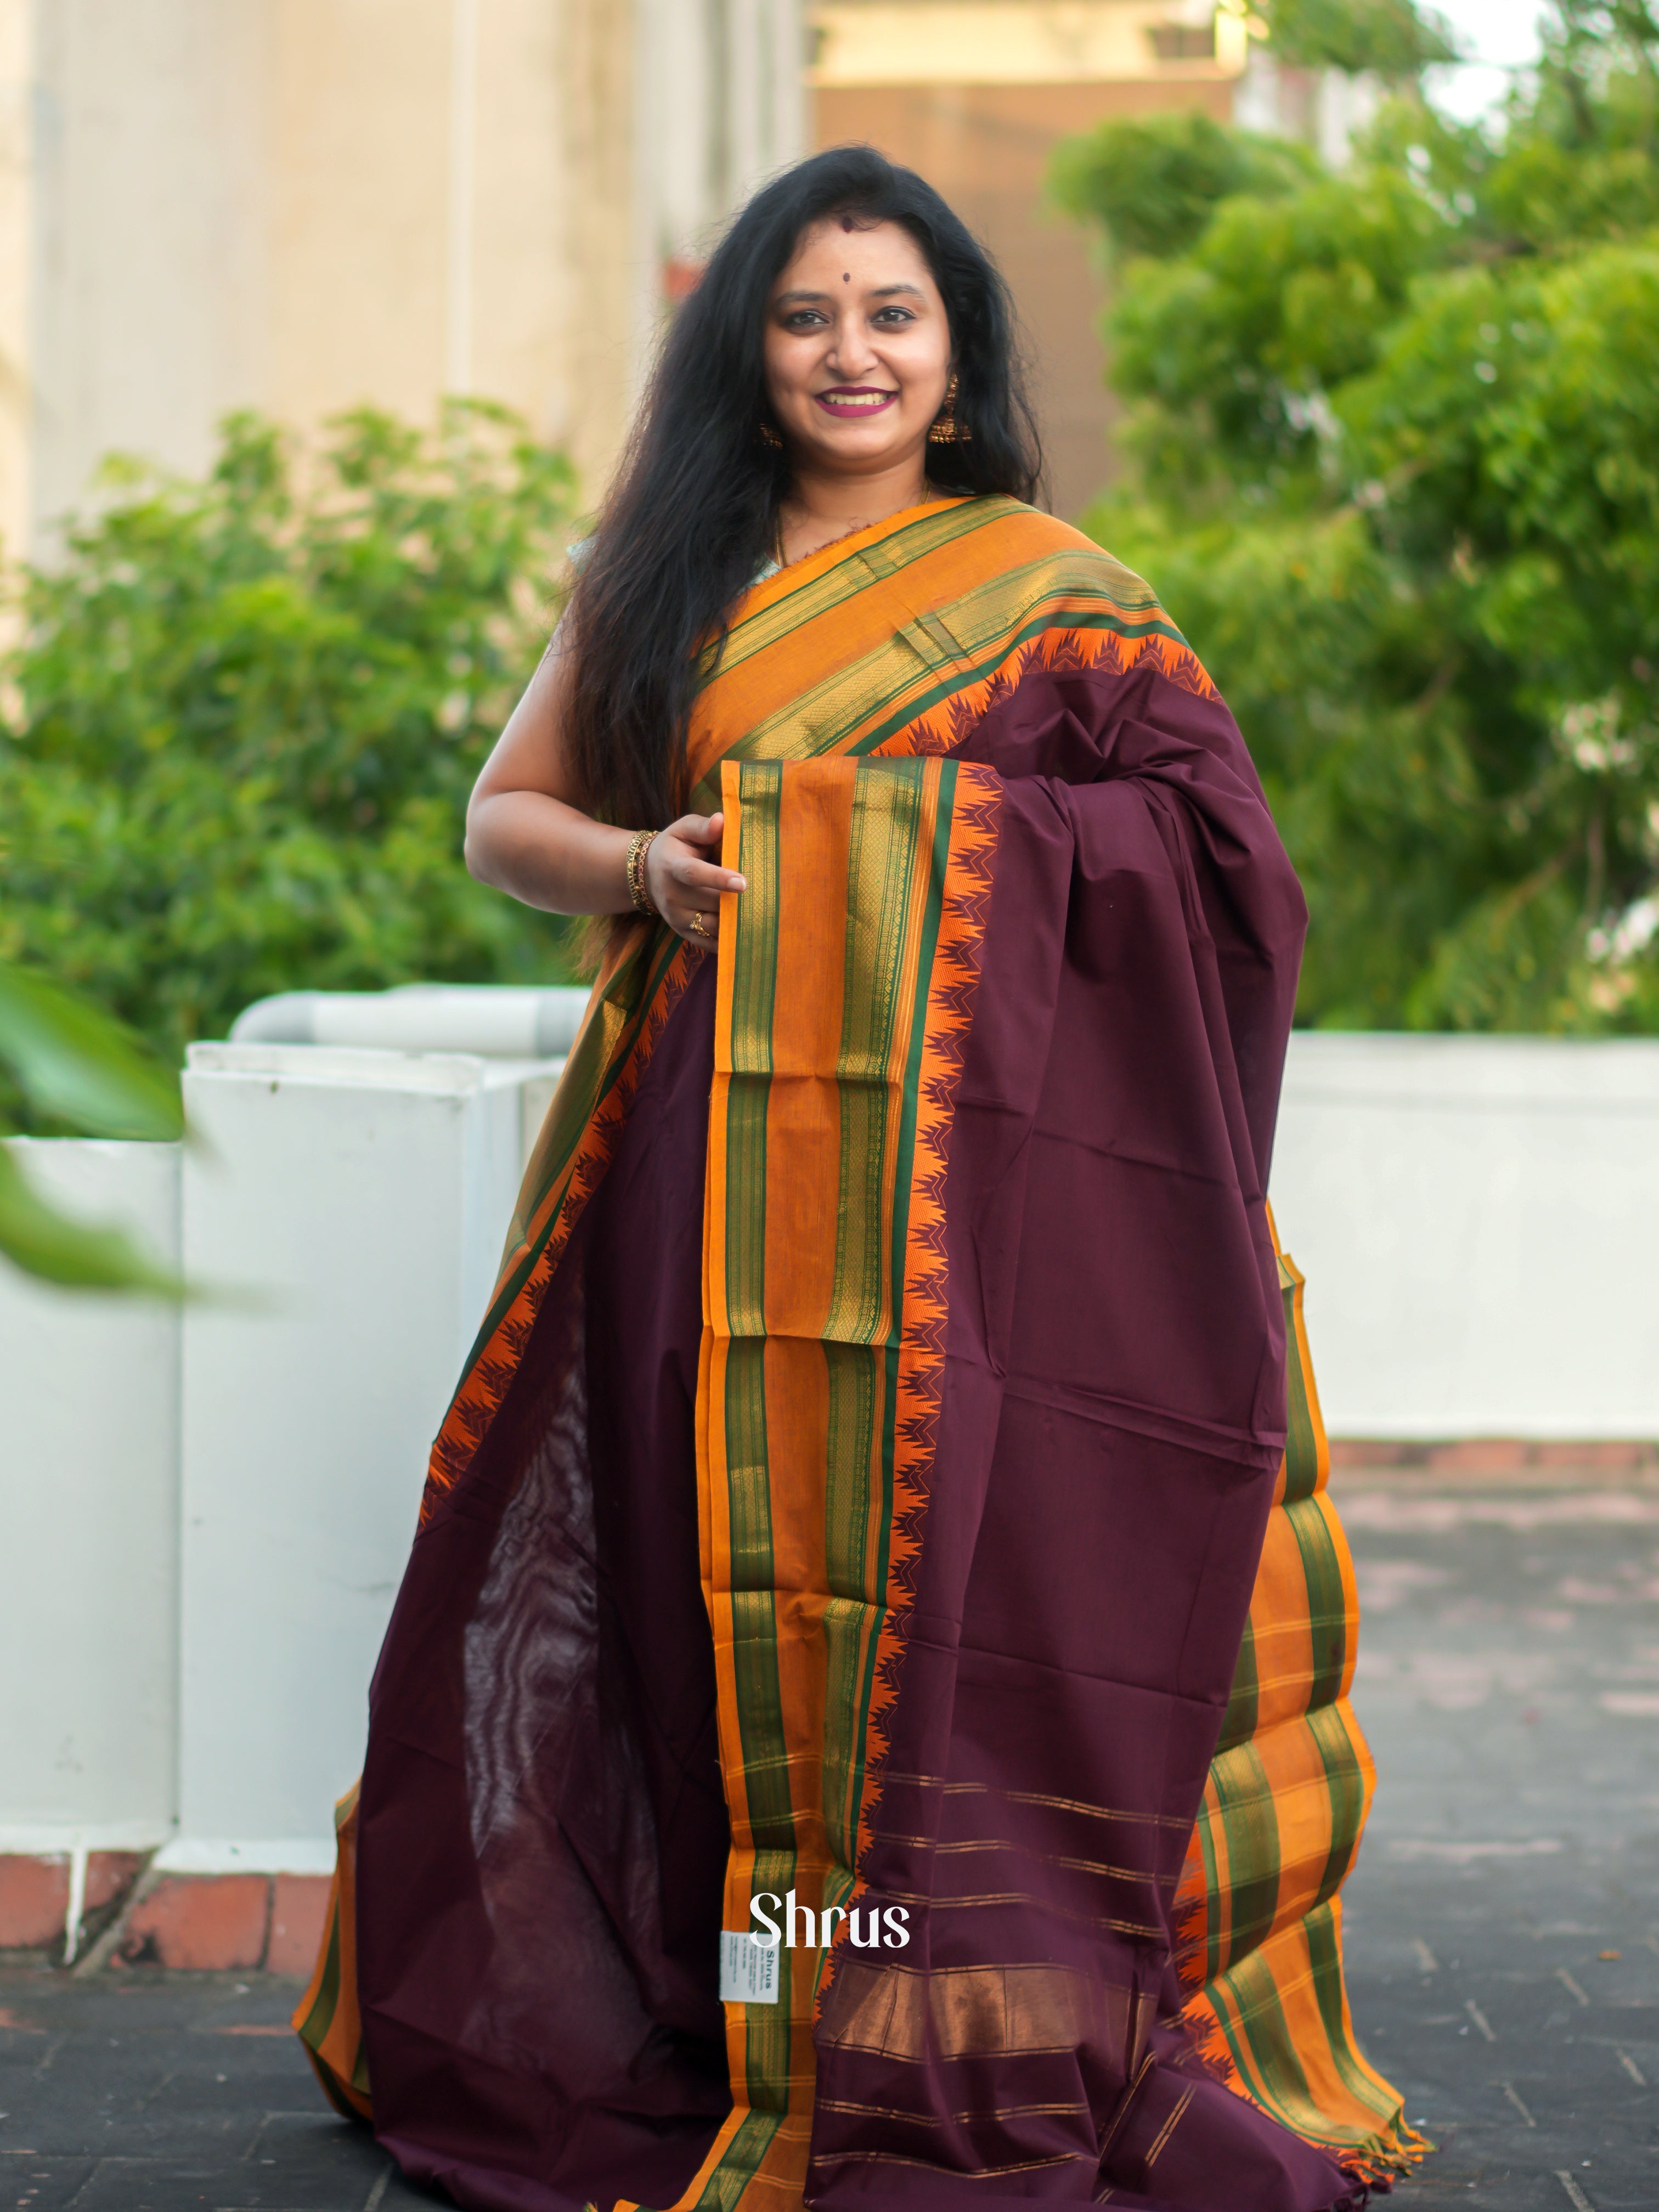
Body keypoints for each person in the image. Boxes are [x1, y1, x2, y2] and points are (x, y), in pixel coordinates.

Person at [295, 146, 1418, 2212]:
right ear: (749, 352)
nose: (850, 352)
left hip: (984, 1238)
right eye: (806, 314)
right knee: (704, 1612)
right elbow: (505, 819)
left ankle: (960, 2014)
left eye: (892, 313)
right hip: (704, 1200)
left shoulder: (1059, 591)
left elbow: (1227, 875)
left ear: (960, 361)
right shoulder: (661, 579)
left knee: (966, 1614)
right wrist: (653, 867)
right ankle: (757, 2010)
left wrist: (955, 864)